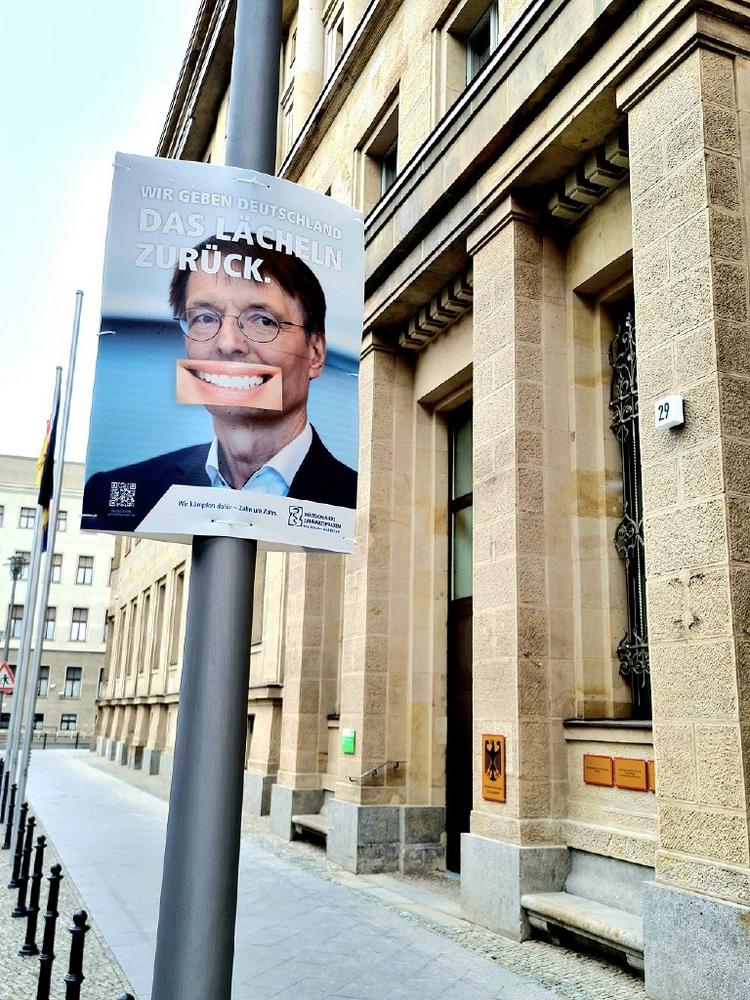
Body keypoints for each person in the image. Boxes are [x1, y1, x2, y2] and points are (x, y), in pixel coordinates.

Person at [83, 236, 357, 530]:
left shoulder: (358, 506)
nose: (227, 343)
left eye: (263, 320)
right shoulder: (118, 494)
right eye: (205, 318)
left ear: (315, 353)